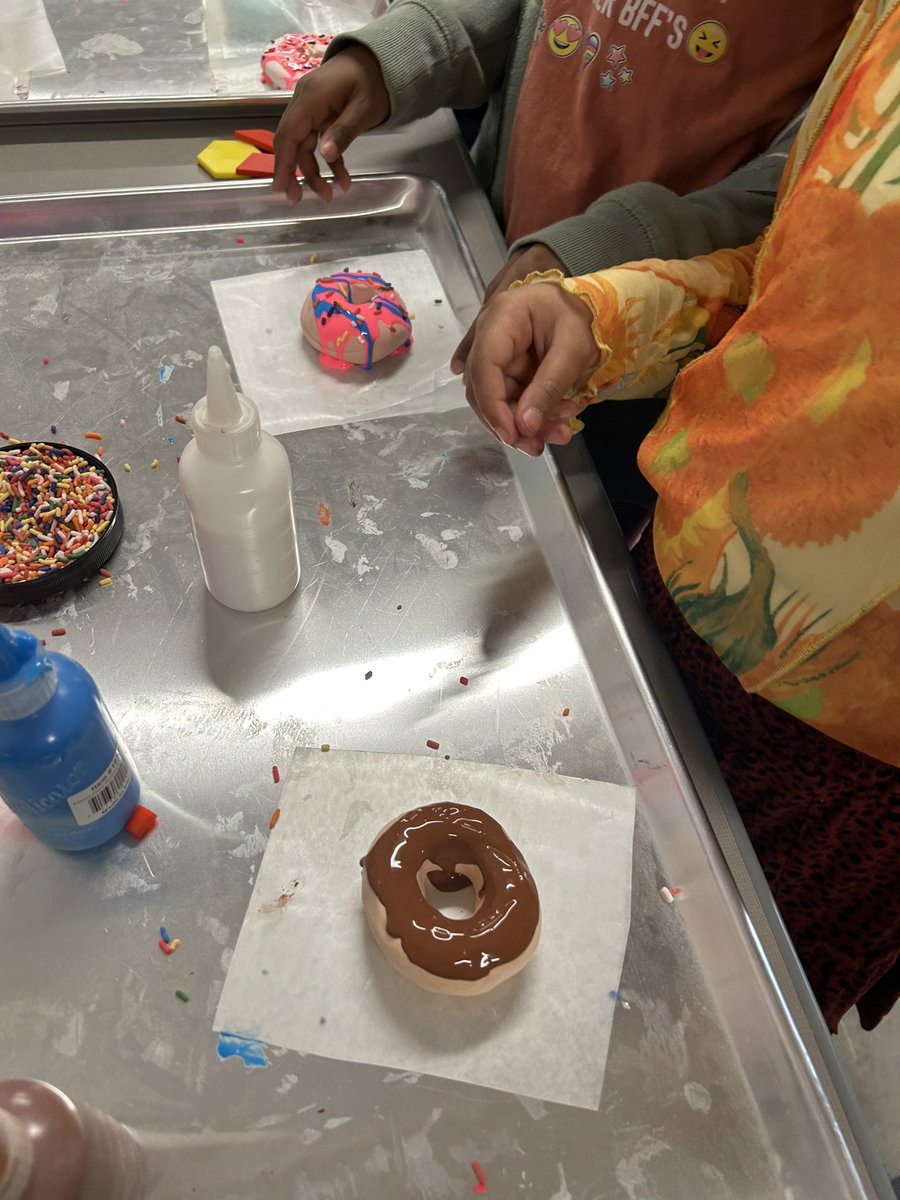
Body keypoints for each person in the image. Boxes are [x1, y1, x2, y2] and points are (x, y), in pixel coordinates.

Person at [461, 0, 900, 1032]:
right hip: (679, 588)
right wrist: (604, 313)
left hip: (848, 762)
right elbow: (796, 271)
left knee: (696, 1040)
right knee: (561, 943)